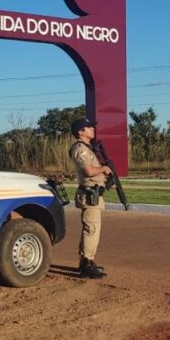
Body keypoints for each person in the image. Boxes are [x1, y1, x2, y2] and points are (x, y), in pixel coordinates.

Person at [69, 118, 111, 279]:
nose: (92, 129)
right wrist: (104, 168)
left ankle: (88, 260)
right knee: (91, 229)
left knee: (92, 229)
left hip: (94, 192)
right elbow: (88, 171)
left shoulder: (87, 148)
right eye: (89, 127)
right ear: (81, 132)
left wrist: (105, 179)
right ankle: (87, 263)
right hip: (89, 194)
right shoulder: (81, 149)